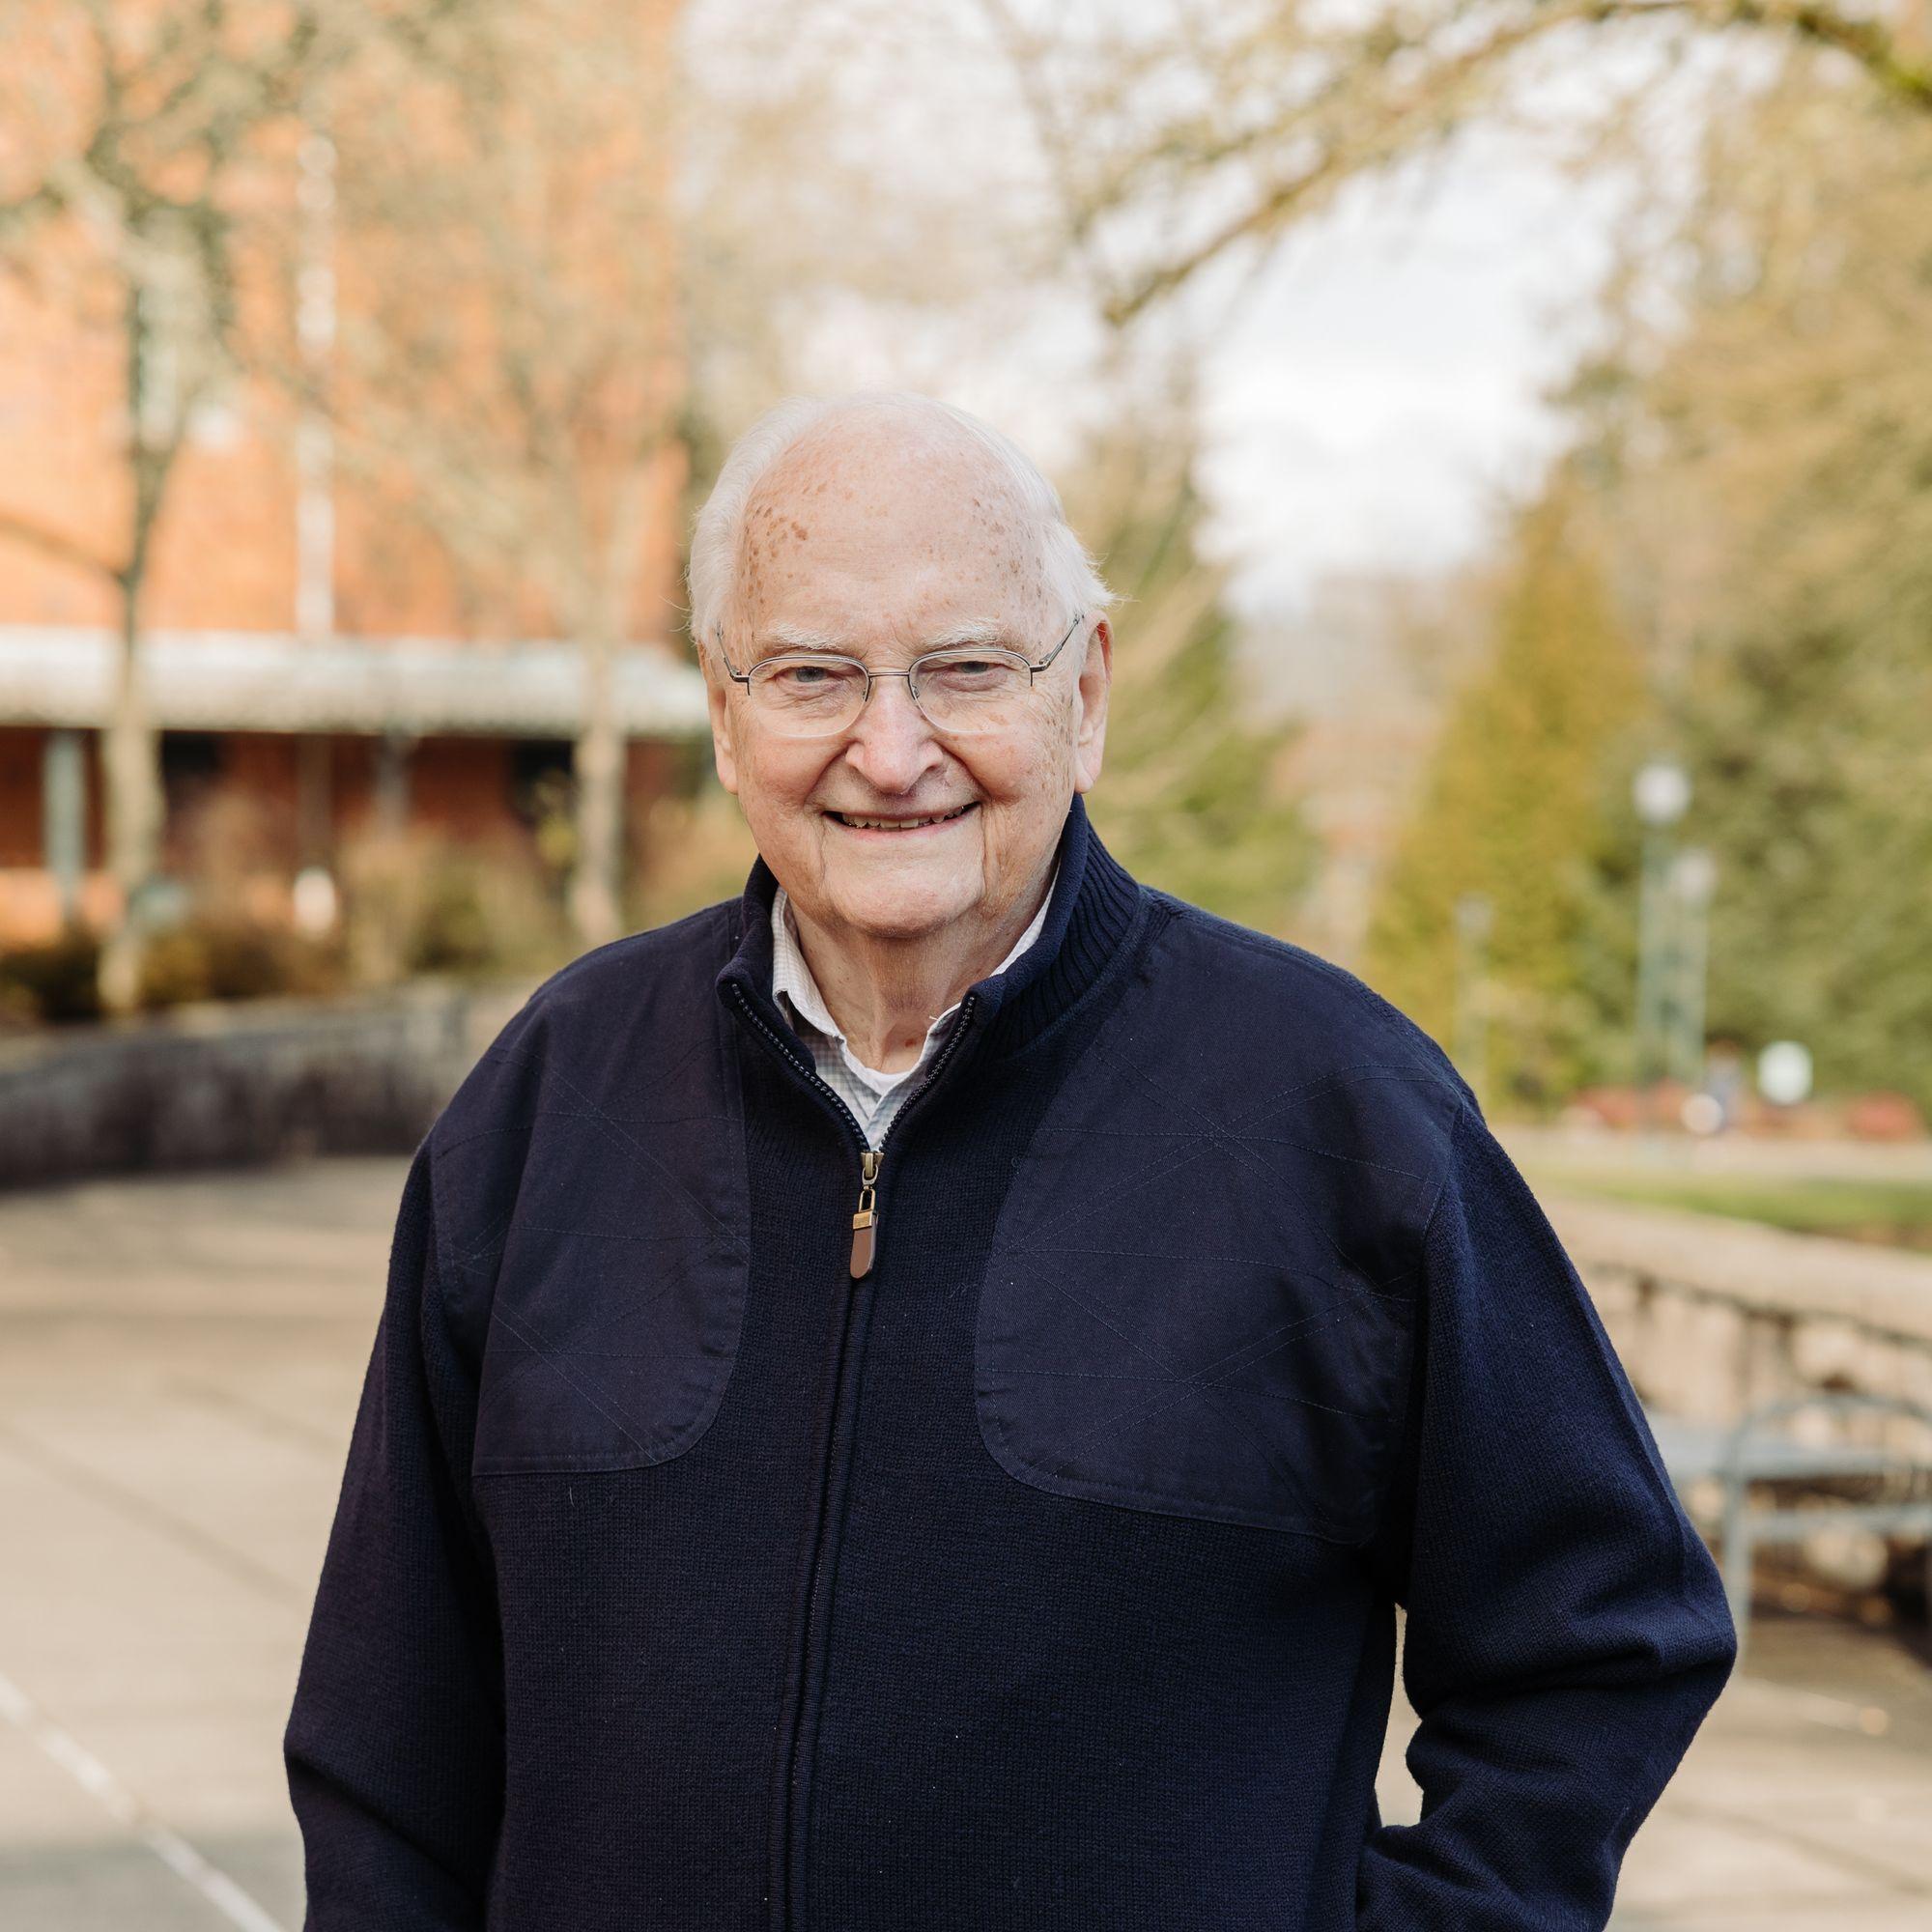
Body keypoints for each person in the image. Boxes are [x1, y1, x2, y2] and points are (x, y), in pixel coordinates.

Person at [284, 389, 1737, 1930]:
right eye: (812, 675)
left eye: (966, 669)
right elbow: (389, 1734)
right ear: (723, 714)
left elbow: (1605, 1635)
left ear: (1086, 695)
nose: (890, 748)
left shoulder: (1337, 1116)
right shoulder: (550, 1101)